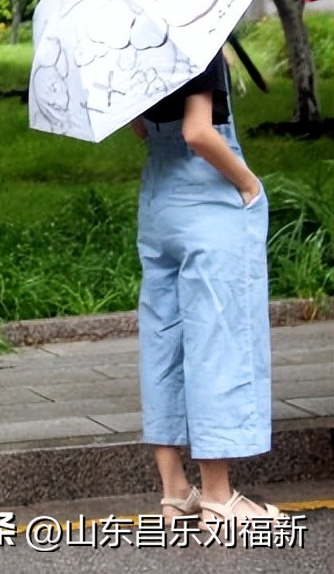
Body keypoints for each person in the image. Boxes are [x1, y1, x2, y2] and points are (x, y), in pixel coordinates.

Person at [129, 51, 286, 534]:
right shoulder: (197, 39)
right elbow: (199, 132)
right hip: (208, 203)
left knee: (163, 343)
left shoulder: (133, 44)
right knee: (216, 341)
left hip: (158, 200)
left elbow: (139, 127)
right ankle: (219, 499)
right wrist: (248, 183)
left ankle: (175, 492)